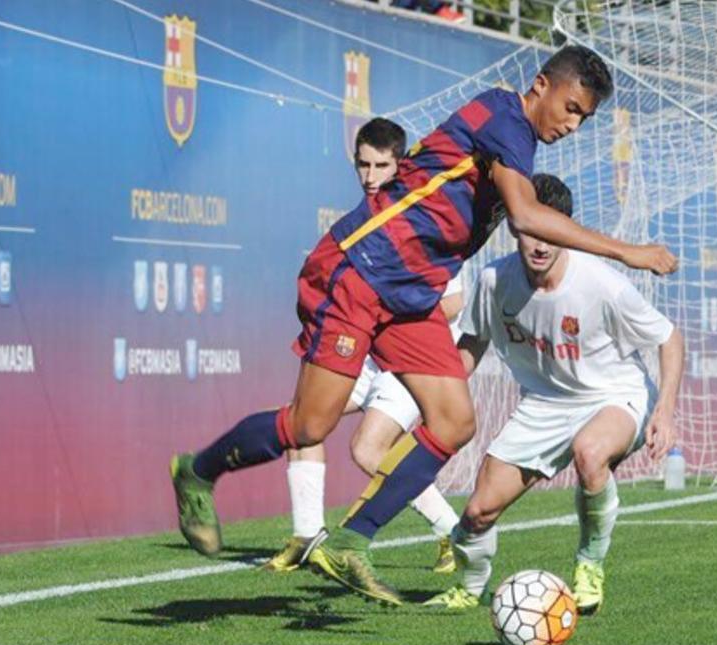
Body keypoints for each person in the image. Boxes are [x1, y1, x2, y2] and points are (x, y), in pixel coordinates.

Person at [169, 45, 679, 606]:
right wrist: (627, 251)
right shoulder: (505, 118)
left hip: (411, 295)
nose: (573, 124)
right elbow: (527, 217)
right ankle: (198, 470)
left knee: (454, 421)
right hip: (359, 270)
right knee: (311, 426)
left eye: (584, 117)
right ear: (542, 85)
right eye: (572, 107)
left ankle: (353, 541)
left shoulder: (519, 142)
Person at [423, 174, 684, 615]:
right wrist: (436, 397)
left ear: (567, 230)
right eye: (531, 231)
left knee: (590, 452)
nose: (540, 244)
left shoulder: (601, 283)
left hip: (616, 394)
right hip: (543, 406)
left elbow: (668, 337)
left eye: (552, 231)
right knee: (478, 513)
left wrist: (666, 411)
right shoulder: (493, 281)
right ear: (513, 227)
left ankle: (589, 567)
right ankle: (469, 587)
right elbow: (471, 345)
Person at [263, 117, 462, 575]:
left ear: (401, 164)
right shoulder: (360, 224)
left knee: (367, 450)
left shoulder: (427, 218)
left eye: (382, 166)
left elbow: (453, 302)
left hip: (406, 364)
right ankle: (309, 536)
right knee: (302, 424)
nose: (371, 176)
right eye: (363, 165)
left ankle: (453, 530)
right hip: (364, 359)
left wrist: (377, 317)